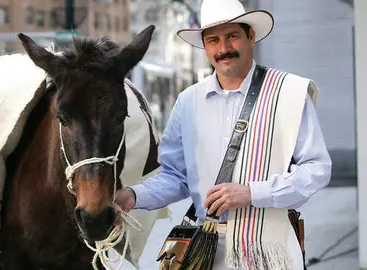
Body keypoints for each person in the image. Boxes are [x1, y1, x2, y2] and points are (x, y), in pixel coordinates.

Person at [115, 0, 332, 269]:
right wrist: (132, 196)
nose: (224, 49)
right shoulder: (187, 102)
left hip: (273, 252)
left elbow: (317, 169)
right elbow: (175, 177)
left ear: (250, 37)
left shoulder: (289, 94)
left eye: (232, 37)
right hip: (206, 252)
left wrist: (253, 192)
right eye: (214, 40)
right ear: (205, 47)